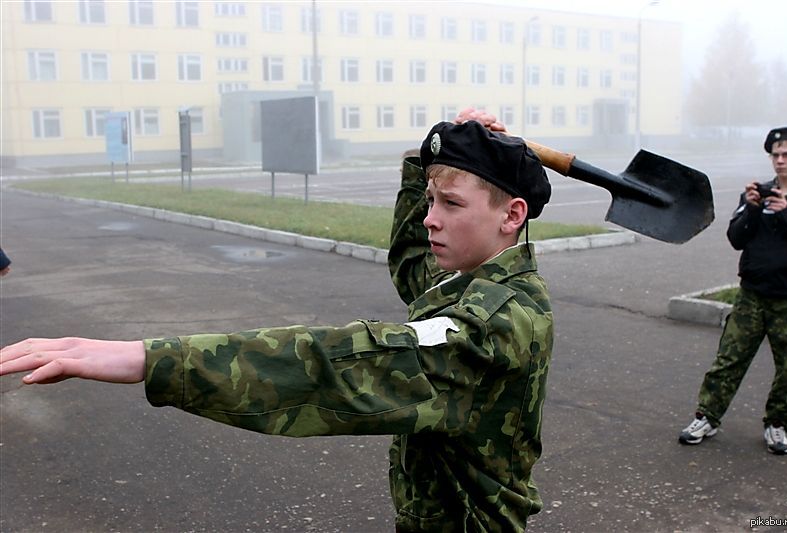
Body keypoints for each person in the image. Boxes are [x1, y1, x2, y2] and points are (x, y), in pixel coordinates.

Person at [0, 109, 553, 532]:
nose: (430, 219)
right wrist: (425, 163)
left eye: (450, 205)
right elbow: (413, 260)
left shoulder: (500, 321)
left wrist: (153, 359)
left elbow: (337, 365)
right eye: (429, 201)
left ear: (512, 215)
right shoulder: (464, 280)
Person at [678, 126, 787, 455]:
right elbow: (735, 238)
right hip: (752, 295)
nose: (779, 160)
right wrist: (753, 208)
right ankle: (707, 417)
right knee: (728, 360)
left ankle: (777, 424)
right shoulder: (757, 194)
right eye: (775, 155)